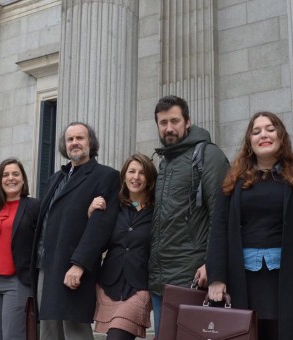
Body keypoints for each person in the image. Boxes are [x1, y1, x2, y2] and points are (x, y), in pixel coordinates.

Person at [206, 112, 293, 339]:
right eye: (256, 131)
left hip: (287, 277)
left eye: (270, 129)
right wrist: (216, 276)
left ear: (281, 136)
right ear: (249, 142)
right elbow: (219, 229)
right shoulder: (233, 178)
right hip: (242, 277)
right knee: (248, 332)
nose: (263, 134)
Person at [32, 122, 120, 340]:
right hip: (45, 265)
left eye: (80, 138)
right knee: (49, 333)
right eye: (70, 139)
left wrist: (79, 264)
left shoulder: (106, 176)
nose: (75, 143)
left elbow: (100, 227)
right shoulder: (56, 178)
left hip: (73, 265)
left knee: (75, 332)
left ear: (91, 143)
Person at [149, 95, 229, 336]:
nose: (169, 128)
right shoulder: (164, 163)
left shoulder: (208, 155)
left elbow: (220, 215)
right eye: (163, 123)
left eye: (174, 120)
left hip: (192, 277)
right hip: (159, 280)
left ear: (187, 121)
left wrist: (212, 265)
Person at [88, 153, 156, 340]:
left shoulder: (158, 210)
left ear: (149, 178)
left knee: (117, 336)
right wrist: (91, 214)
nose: (136, 177)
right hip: (109, 282)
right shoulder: (113, 206)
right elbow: (98, 242)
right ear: (124, 175)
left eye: (142, 173)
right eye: (131, 171)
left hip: (139, 286)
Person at [0, 158, 40, 340]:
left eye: (15, 174)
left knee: (12, 336)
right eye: (5, 175)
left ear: (23, 179)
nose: (10, 178)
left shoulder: (34, 206)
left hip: (16, 282)